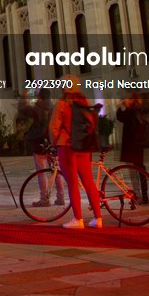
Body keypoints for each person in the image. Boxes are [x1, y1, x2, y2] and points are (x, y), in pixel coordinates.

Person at [49, 82, 103, 229]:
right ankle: (98, 218)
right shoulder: (84, 102)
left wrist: (54, 142)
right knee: (89, 182)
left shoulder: (62, 103)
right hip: (83, 146)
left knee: (72, 183)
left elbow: (53, 126)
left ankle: (78, 219)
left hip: (67, 146)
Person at [27, 89, 64, 207]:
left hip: (40, 144)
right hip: (53, 143)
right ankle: (61, 197)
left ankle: (44, 199)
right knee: (56, 172)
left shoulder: (37, 107)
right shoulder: (54, 107)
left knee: (42, 172)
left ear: (40, 97)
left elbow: (25, 113)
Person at [116, 92, 149, 204]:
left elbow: (120, 117)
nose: (124, 101)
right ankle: (144, 196)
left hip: (132, 146)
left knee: (135, 172)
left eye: (126, 99)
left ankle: (139, 196)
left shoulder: (131, 111)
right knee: (140, 170)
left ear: (131, 100)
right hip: (138, 145)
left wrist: (119, 107)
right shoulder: (138, 109)